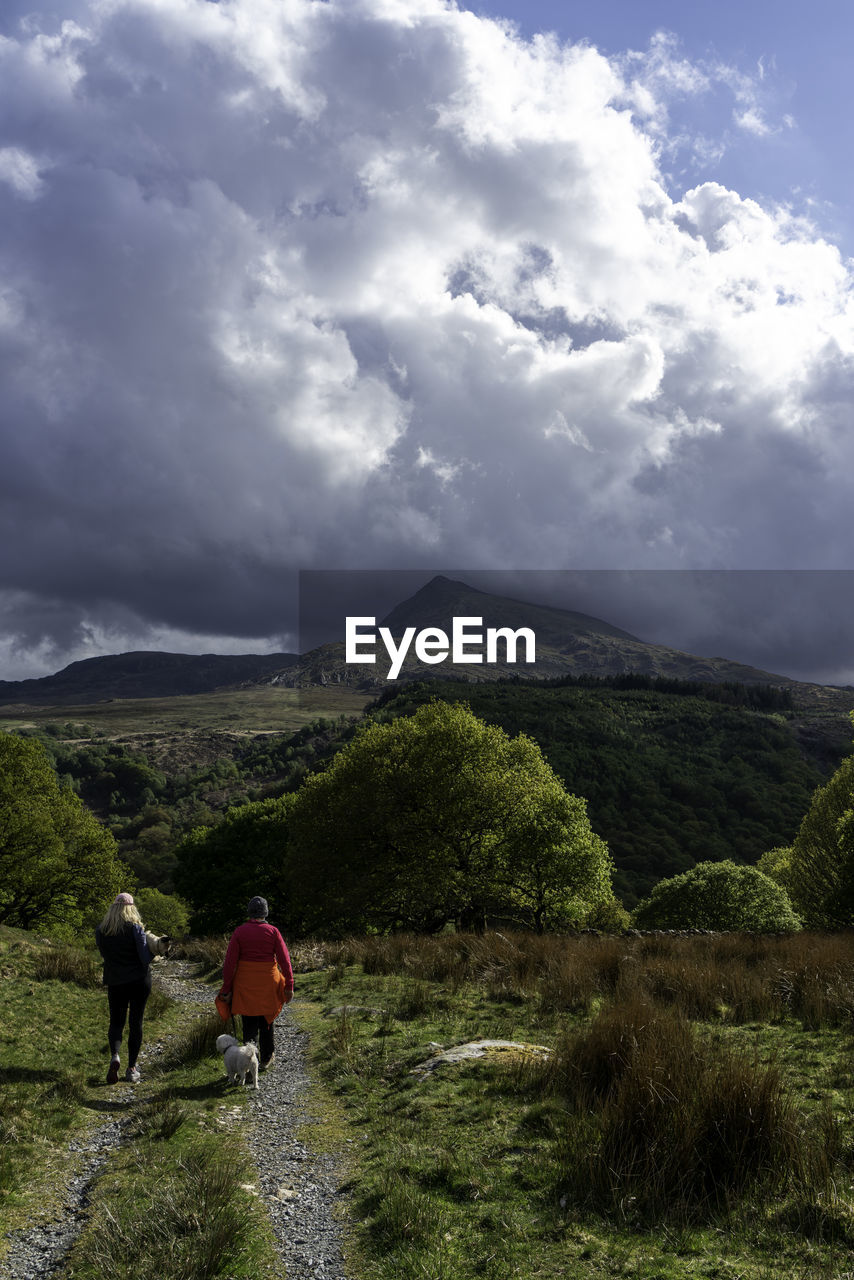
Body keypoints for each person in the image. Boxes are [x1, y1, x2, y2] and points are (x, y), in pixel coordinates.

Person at [218, 896, 294, 1069]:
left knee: (249, 1022)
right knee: (266, 1020)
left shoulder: (239, 932)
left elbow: (229, 964)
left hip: (245, 983)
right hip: (268, 982)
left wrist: (227, 988)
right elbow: (285, 960)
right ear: (265, 913)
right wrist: (289, 984)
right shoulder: (273, 931)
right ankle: (267, 1058)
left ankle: (249, 1060)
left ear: (249, 913)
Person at [95, 891, 155, 1084]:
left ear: (113, 908)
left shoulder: (102, 930)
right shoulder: (135, 928)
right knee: (135, 1023)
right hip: (138, 980)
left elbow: (106, 956)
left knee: (116, 1022)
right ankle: (131, 1068)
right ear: (132, 908)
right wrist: (156, 951)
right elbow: (144, 958)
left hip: (115, 981)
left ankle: (115, 1055)